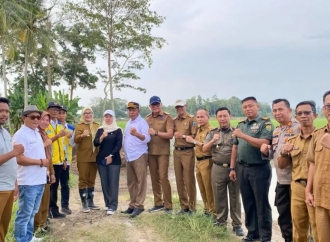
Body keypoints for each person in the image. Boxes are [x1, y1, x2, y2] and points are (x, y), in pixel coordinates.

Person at [229, 96, 273, 242]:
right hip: (242, 168)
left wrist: (243, 135)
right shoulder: (241, 124)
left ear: (257, 106)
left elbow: (264, 142)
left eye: (250, 106)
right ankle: (252, 233)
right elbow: (235, 147)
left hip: (259, 169)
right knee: (248, 202)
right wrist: (232, 167)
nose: (247, 109)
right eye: (245, 107)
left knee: (261, 203)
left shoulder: (264, 123)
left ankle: (265, 236)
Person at [277, 101, 318, 242]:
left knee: (319, 228)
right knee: (299, 228)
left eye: (307, 113)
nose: (303, 116)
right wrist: (283, 152)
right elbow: (282, 165)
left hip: (317, 188)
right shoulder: (292, 141)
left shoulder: (322, 138)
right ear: (296, 117)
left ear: (315, 115)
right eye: (300, 113)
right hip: (298, 188)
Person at [260, 99, 300, 242]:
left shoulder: (298, 127)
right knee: (283, 216)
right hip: (281, 181)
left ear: (289, 110)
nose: (277, 113)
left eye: (280, 109)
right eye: (275, 110)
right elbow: (273, 154)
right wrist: (266, 151)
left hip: (296, 181)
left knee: (299, 218)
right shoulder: (277, 130)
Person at [202, 107, 244, 237]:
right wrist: (213, 140)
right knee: (219, 196)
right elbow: (204, 148)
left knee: (235, 197)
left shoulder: (237, 132)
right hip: (217, 168)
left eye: (225, 116)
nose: (222, 119)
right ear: (216, 118)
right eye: (220, 116)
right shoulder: (212, 133)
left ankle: (237, 224)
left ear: (230, 116)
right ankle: (221, 221)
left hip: (234, 168)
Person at [13, 105, 49, 242]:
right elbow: (19, 158)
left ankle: (28, 237)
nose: (36, 120)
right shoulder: (20, 135)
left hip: (39, 180)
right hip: (28, 182)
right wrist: (40, 161)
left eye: (38, 117)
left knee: (32, 213)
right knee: (24, 214)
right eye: (32, 117)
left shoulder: (36, 133)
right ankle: (21, 239)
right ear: (24, 118)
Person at [306, 90, 330, 242]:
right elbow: (312, 163)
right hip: (321, 199)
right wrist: (308, 190)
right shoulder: (318, 134)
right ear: (324, 109)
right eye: (329, 105)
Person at [0, 97, 24, 241]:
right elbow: (12, 155)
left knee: (3, 225)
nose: (4, 114)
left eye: (6, 111)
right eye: (0, 111)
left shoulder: (5, 132)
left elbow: (10, 161)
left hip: (8, 187)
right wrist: (14, 152)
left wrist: (15, 183)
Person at [122, 102, 151, 218]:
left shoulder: (142, 123)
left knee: (140, 181)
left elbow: (147, 138)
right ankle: (132, 204)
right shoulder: (128, 123)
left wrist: (136, 134)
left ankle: (139, 205)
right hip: (129, 156)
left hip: (139, 155)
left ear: (138, 111)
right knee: (131, 182)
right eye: (129, 110)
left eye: (133, 110)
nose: (131, 112)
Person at [146, 96, 174, 214]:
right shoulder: (147, 119)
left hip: (163, 152)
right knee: (154, 178)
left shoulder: (167, 117)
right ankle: (158, 203)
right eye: (153, 105)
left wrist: (156, 133)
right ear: (150, 106)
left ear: (161, 104)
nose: (155, 107)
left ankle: (168, 205)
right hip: (151, 152)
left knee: (163, 177)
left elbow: (170, 134)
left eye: (157, 104)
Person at [185, 109, 214, 216]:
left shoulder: (210, 130)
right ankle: (207, 209)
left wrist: (192, 141)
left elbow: (205, 146)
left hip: (207, 161)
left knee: (208, 187)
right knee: (201, 187)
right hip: (198, 161)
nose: (200, 119)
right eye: (198, 117)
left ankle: (213, 211)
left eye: (202, 117)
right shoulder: (198, 129)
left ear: (208, 117)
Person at [94, 110, 123, 215]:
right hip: (101, 160)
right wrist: (102, 136)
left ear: (113, 117)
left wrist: (111, 156)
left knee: (113, 182)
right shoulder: (101, 129)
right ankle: (107, 203)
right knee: (104, 182)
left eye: (110, 116)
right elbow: (96, 143)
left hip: (114, 160)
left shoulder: (118, 130)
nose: (108, 118)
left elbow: (118, 145)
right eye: (106, 116)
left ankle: (113, 205)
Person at [173, 99, 197, 214]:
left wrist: (182, 135)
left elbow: (194, 135)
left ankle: (192, 207)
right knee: (179, 180)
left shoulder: (192, 120)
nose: (179, 109)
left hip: (187, 151)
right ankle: (184, 206)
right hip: (177, 151)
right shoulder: (174, 121)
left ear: (185, 106)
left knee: (189, 180)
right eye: (177, 107)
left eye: (181, 107)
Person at [74, 107, 100, 212]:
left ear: (92, 114)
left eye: (90, 113)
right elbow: (75, 140)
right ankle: (84, 203)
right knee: (83, 179)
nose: (88, 115)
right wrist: (82, 135)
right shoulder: (80, 126)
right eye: (86, 113)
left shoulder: (97, 125)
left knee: (91, 180)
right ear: (83, 115)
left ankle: (91, 201)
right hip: (83, 157)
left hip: (94, 157)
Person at [34, 111, 56, 233]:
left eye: (47, 120)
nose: (45, 122)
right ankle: (36, 227)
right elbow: (32, 152)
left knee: (45, 200)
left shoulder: (45, 134)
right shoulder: (35, 134)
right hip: (37, 172)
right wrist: (44, 144)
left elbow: (49, 157)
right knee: (38, 201)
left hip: (46, 172)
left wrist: (52, 173)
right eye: (43, 119)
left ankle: (42, 225)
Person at [46, 102, 67, 219]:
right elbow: (47, 143)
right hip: (49, 161)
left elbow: (62, 144)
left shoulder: (59, 125)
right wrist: (58, 135)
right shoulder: (45, 125)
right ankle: (48, 210)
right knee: (49, 188)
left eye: (57, 110)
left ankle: (53, 209)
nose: (55, 111)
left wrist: (64, 159)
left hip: (58, 161)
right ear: (48, 110)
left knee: (55, 187)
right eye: (52, 109)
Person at [58, 105, 75, 215]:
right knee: (53, 185)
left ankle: (65, 206)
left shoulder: (71, 128)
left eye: (63, 113)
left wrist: (69, 137)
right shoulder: (53, 126)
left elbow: (73, 144)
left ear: (66, 115)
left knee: (65, 183)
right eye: (59, 113)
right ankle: (52, 208)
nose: (61, 115)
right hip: (56, 159)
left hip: (67, 159)